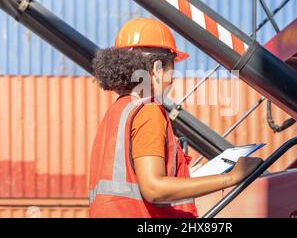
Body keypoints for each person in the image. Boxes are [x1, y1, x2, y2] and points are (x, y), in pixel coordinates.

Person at [89, 18, 262, 218]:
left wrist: (186, 175)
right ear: (156, 69)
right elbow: (154, 188)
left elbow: (132, 177)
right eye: (172, 70)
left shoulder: (118, 111)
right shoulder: (148, 110)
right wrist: (233, 177)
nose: (173, 79)